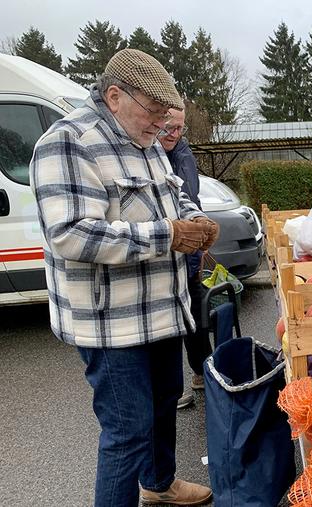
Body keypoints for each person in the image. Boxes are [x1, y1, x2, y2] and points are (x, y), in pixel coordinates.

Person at [30, 48, 218, 506]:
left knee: (163, 405)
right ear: (115, 96)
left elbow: (172, 202)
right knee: (128, 429)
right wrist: (169, 235)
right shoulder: (68, 142)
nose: (161, 125)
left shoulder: (146, 143)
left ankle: (159, 484)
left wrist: (195, 221)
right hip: (111, 323)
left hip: (161, 312)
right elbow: (71, 234)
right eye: (153, 113)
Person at [158, 108, 212, 407]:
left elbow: (190, 198)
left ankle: (202, 372)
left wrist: (201, 239)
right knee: (168, 322)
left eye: (179, 127)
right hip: (163, 252)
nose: (174, 133)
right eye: (168, 127)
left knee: (196, 316)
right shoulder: (149, 153)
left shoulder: (183, 153)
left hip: (189, 252)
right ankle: (172, 388)